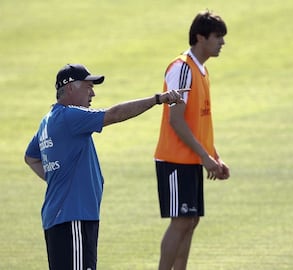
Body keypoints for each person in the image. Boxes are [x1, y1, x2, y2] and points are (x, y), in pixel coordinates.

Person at [24, 63, 187, 270]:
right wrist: (158, 99)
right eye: (88, 87)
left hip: (66, 217)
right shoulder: (69, 116)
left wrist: (57, 178)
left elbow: (31, 158)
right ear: (71, 87)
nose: (92, 93)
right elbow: (114, 114)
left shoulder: (47, 121)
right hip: (73, 217)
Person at [154, 10, 230, 270]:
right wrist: (205, 157)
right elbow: (176, 120)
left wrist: (214, 157)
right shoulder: (182, 69)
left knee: (191, 219)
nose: (222, 42)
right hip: (175, 158)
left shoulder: (201, 71)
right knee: (182, 221)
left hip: (191, 158)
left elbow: (200, 122)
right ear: (200, 37)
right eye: (217, 37)